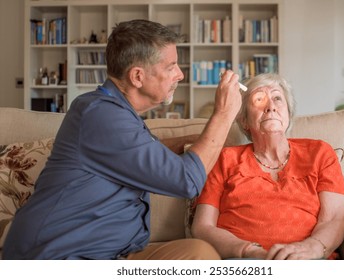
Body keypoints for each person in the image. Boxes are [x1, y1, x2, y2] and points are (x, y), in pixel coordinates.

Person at [3, 19, 242, 260]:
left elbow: (145, 151)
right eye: (171, 66)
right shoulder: (101, 115)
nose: (180, 74)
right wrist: (224, 113)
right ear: (137, 76)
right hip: (60, 257)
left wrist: (195, 140)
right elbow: (186, 180)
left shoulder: (116, 112)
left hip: (113, 254)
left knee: (198, 254)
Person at [191, 73, 344, 260]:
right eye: (259, 100)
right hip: (244, 262)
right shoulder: (225, 159)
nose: (270, 107)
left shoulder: (319, 152)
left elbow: (334, 218)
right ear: (244, 120)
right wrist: (249, 251)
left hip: (307, 262)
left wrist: (313, 248)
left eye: (277, 98)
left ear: (288, 114)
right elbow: (203, 227)